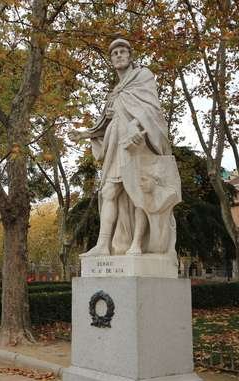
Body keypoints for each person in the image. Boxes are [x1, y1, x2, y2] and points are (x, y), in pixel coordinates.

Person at [69, 38, 180, 257]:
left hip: (138, 145)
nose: (119, 55)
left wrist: (136, 127)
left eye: (122, 51)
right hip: (115, 146)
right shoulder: (115, 92)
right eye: (114, 53)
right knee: (109, 192)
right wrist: (85, 133)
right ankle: (103, 245)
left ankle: (137, 244)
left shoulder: (143, 76)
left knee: (137, 194)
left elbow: (152, 110)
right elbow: (104, 123)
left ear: (130, 56)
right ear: (111, 60)